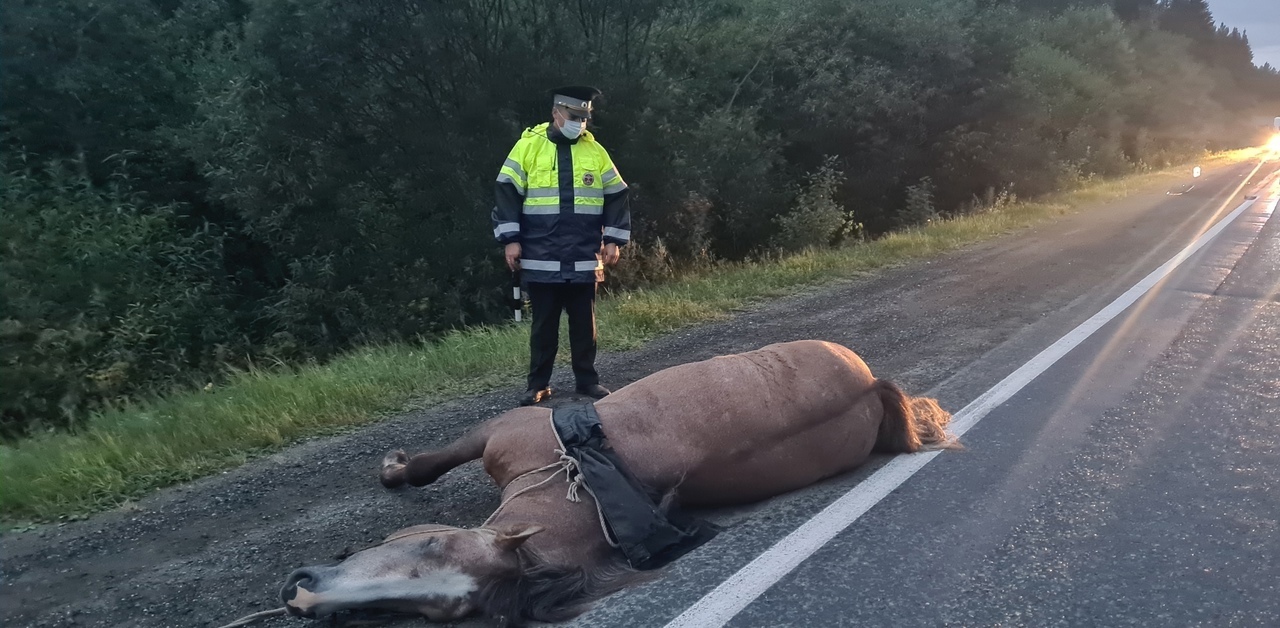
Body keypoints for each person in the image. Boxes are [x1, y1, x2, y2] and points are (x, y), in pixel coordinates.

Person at [490, 85, 632, 406]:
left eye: (585, 118)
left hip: (583, 257)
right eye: (574, 116)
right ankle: (538, 384)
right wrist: (510, 240)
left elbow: (617, 195)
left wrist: (613, 239)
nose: (580, 123)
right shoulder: (528, 148)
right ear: (556, 113)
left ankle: (587, 381)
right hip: (542, 257)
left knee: (585, 325)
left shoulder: (595, 151)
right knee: (544, 327)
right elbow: (506, 193)